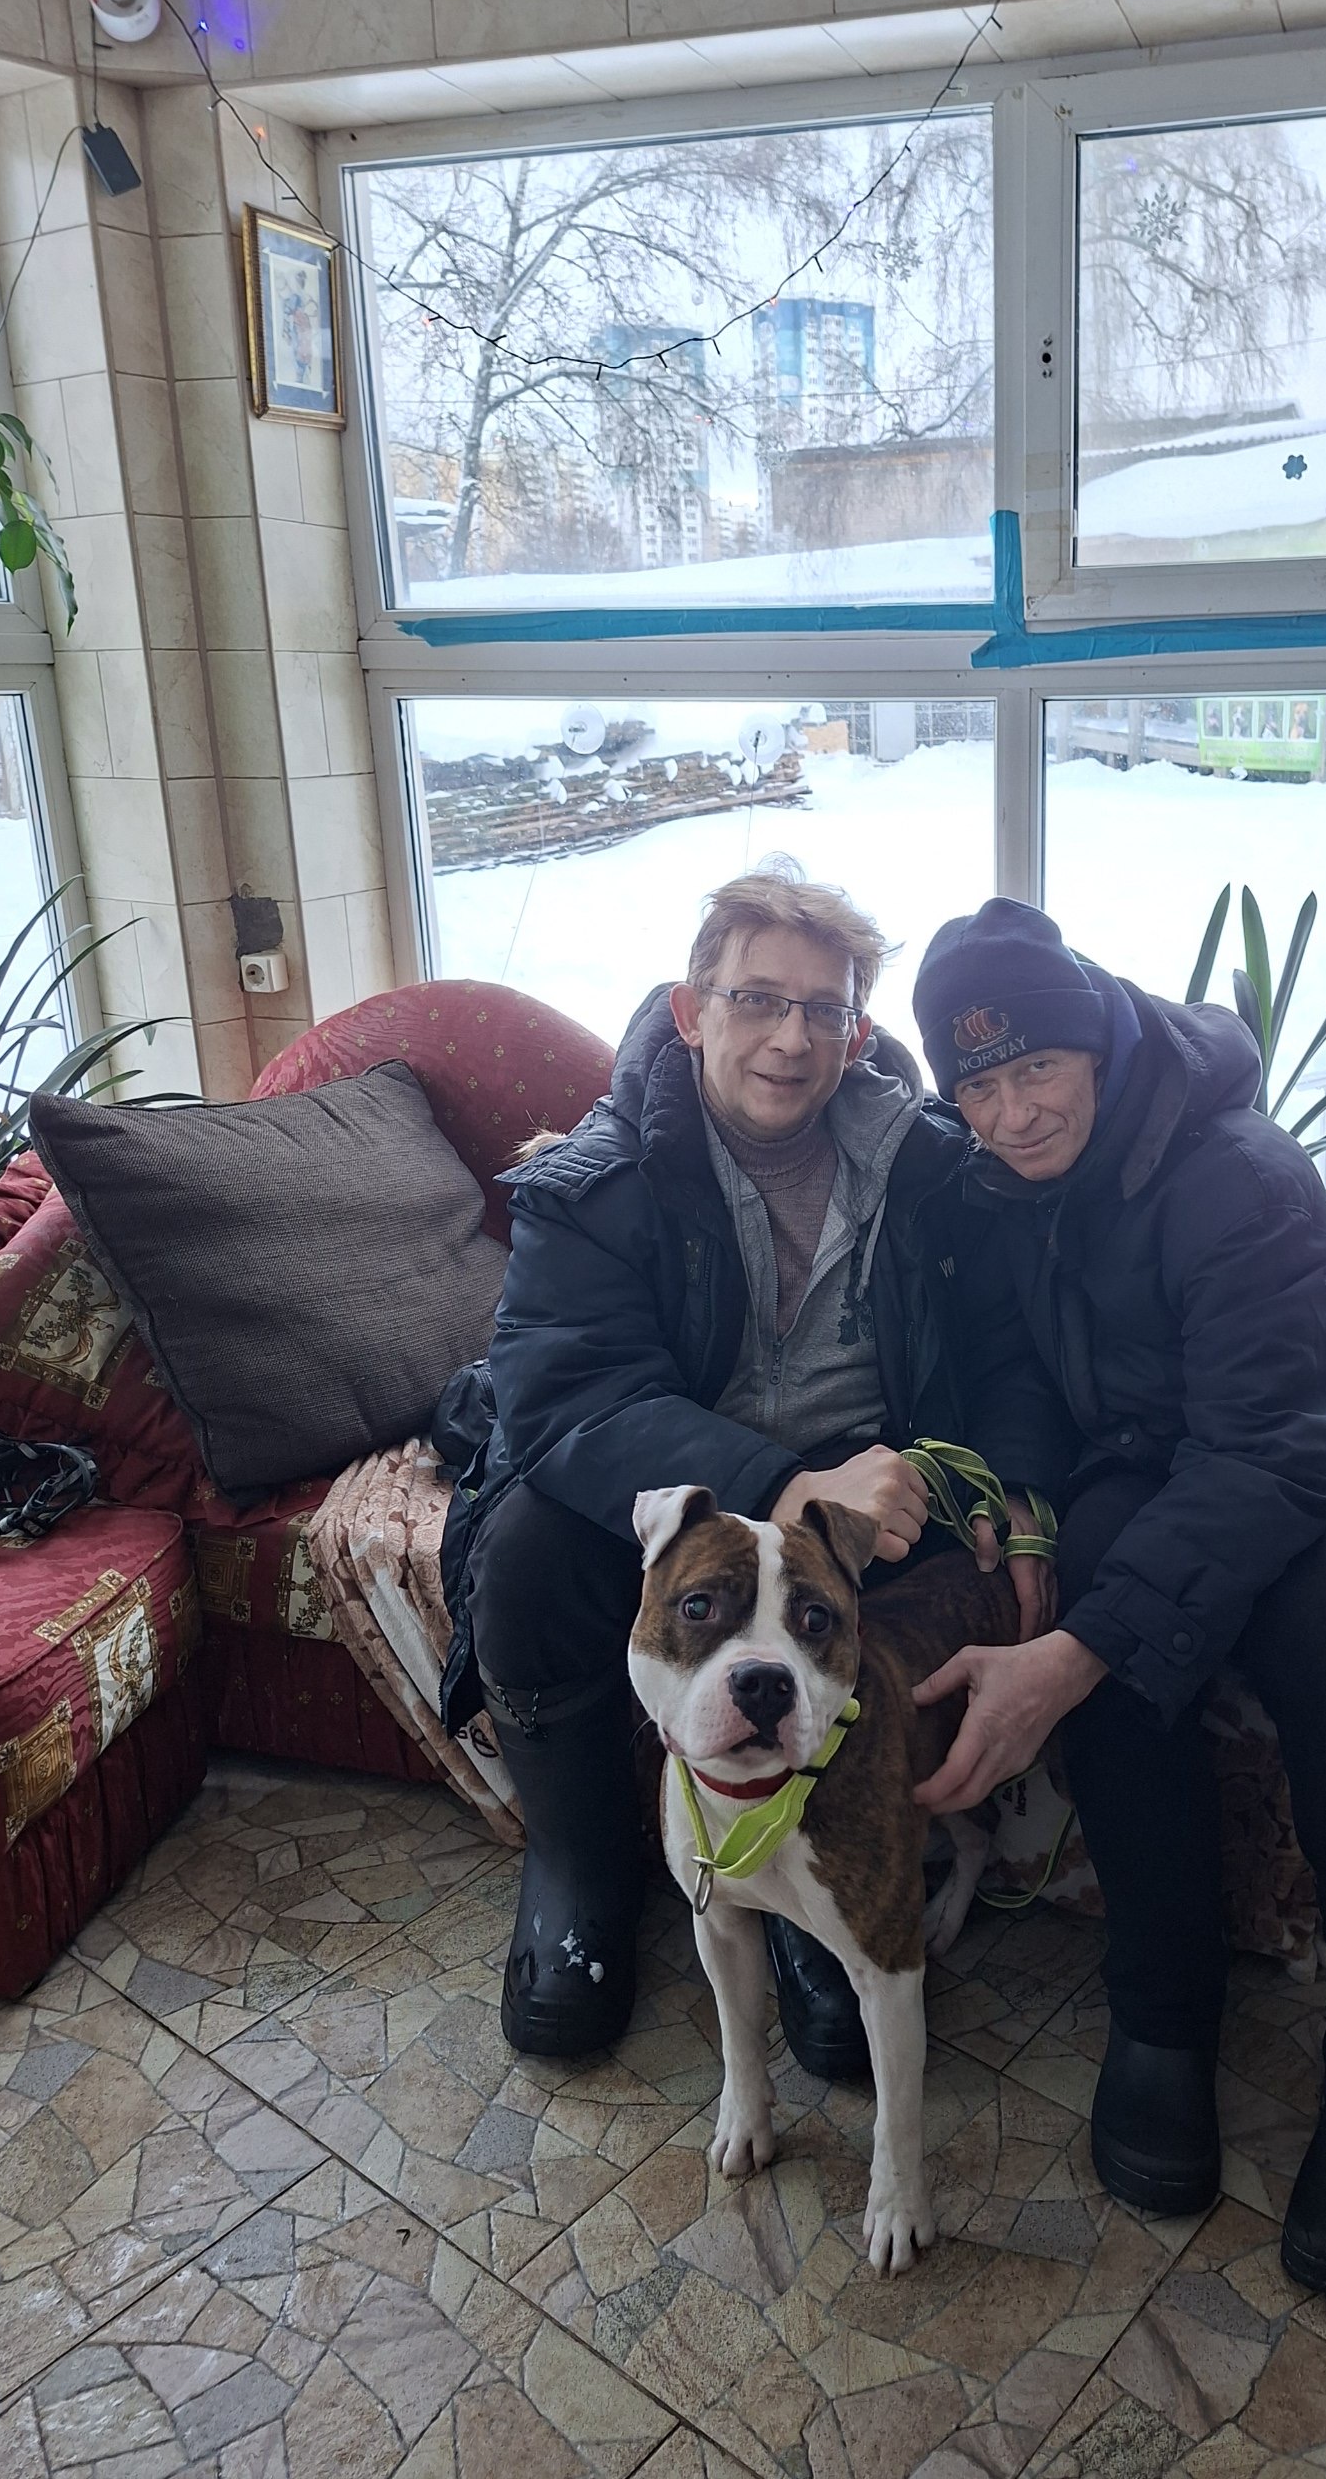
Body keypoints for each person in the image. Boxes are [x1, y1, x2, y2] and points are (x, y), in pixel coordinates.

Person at [907, 898, 1326, 2302]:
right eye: (979, 1089)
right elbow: (1016, 1367)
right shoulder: (997, 1180)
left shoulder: (1238, 1173)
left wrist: (1080, 1652)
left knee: (1322, 1635)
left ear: (1094, 1043)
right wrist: (1024, 1504)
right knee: (1090, 1581)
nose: (1014, 1116)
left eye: (1038, 1070)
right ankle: (1162, 2011)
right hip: (1147, 1454)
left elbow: (1274, 1451)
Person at [440, 863, 1061, 2076]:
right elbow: (569, 1394)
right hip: (683, 1483)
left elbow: (1007, 1352)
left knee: (893, 1572)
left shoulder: (928, 1172)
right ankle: (579, 1863)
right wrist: (777, 1485)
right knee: (524, 1557)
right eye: (757, 999)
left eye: (824, 1010)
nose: (791, 1038)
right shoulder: (596, 1180)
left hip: (860, 1481)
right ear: (690, 1010)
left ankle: (811, 1878)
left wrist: (1019, 1493)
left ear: (858, 1035)